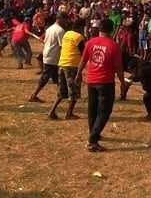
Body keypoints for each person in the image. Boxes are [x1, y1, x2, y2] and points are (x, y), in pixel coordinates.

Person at [76, 18, 124, 151]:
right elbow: (118, 67)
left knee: (92, 109)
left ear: (99, 29)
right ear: (112, 29)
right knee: (104, 111)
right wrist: (123, 82)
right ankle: (92, 140)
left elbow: (83, 60)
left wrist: (78, 74)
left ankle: (93, 133)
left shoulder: (90, 42)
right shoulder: (114, 46)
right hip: (106, 83)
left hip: (91, 81)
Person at [48, 19, 86, 120]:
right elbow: (84, 54)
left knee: (61, 91)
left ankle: (51, 112)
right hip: (72, 66)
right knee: (74, 91)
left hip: (62, 64)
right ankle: (69, 113)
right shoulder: (79, 37)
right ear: (80, 28)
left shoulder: (67, 34)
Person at [29, 13, 67, 102]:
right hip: (53, 57)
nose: (66, 22)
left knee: (57, 77)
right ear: (61, 19)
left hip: (48, 54)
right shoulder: (60, 31)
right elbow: (62, 46)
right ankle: (34, 95)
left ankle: (62, 94)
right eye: (65, 20)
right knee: (46, 77)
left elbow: (45, 41)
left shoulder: (50, 28)